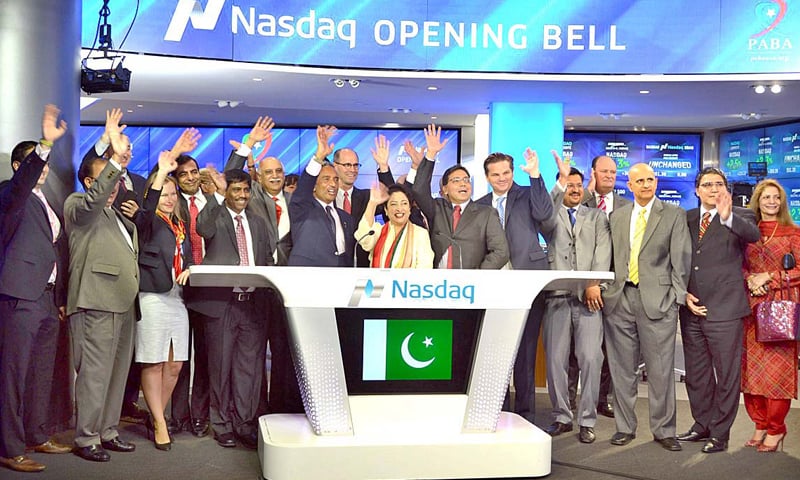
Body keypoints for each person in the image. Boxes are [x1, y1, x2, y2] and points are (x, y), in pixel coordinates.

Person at [65, 108, 141, 462]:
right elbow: (96, 198)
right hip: (96, 303)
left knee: (116, 375)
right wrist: (113, 156)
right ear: (90, 182)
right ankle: (86, 437)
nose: (113, 188)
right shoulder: (79, 206)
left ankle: (107, 431)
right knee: (94, 375)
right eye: (106, 181)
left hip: (124, 305)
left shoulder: (116, 214)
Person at [0, 105, 72, 473]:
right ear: (19, 166)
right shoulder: (10, 195)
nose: (43, 168)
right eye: (36, 163)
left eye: (45, 163)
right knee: (13, 374)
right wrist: (45, 143)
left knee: (41, 372)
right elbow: (20, 184)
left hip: (46, 298)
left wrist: (59, 298)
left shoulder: (49, 201)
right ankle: (10, 447)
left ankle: (36, 434)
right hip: (19, 296)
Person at [603, 162, 690, 451]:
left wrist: (676, 298)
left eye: (650, 179)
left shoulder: (673, 214)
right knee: (622, 369)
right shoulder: (617, 216)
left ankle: (664, 430)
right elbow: (610, 258)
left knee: (661, 369)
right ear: (629, 186)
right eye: (639, 181)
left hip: (659, 301)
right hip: (620, 299)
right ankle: (624, 427)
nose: (646, 185)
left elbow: (681, 259)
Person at [675, 168, 759, 453]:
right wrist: (682, 292)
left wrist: (727, 216)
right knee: (697, 374)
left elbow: (753, 235)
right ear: (696, 190)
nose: (713, 189)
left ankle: (720, 434)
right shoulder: (684, 219)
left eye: (719, 184)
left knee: (726, 375)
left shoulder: (740, 215)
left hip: (725, 311)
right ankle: (702, 425)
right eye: (707, 185)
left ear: (727, 189)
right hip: (690, 308)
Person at [190, 168, 275, 449]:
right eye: (236, 190)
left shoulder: (259, 222)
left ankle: (244, 423)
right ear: (227, 191)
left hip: (252, 306)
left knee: (248, 371)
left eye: (245, 190)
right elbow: (202, 228)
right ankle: (222, 424)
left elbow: (266, 260)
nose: (241, 195)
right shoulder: (216, 215)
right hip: (222, 305)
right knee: (221, 369)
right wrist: (213, 194)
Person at [474, 148, 553, 423]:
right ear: (487, 177)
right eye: (495, 174)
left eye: (506, 172)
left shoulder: (529, 193)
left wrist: (535, 175)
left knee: (526, 351)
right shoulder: (480, 204)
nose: (502, 178)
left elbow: (544, 213)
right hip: (493, 286)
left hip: (526, 281)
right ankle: (499, 409)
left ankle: (526, 415)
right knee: (495, 349)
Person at [133, 130, 200, 451]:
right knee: (154, 362)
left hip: (177, 299)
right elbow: (146, 208)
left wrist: (190, 268)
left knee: (175, 364)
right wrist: (161, 171)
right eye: (165, 193)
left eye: (174, 194)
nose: (171, 199)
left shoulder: (180, 223)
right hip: (153, 298)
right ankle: (160, 421)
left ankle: (155, 412)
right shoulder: (148, 221)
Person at [541, 165, 611, 444]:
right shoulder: (549, 215)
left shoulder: (597, 217)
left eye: (578, 184)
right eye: (569, 184)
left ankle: (587, 420)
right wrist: (556, 184)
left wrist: (594, 283)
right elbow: (546, 208)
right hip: (556, 297)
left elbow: (603, 252)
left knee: (592, 358)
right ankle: (562, 416)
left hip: (588, 298)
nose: (574, 189)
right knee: (556, 360)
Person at [567, 154, 631, 418]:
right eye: (603, 171)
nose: (609, 176)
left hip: (616, 287)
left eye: (613, 173)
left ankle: (602, 399)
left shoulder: (627, 206)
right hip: (583, 285)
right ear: (592, 173)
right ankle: (570, 399)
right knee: (576, 348)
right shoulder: (581, 198)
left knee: (608, 348)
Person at [741, 179, 800, 453]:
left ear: (782, 202)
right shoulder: (747, 232)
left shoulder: (793, 233)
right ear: (758, 200)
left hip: (779, 312)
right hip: (750, 311)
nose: (772, 202)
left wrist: (770, 277)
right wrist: (750, 279)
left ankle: (777, 429)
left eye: (776, 198)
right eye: (766, 197)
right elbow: (737, 265)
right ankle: (760, 425)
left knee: (777, 373)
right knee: (751, 373)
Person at [408, 124, 509, 270]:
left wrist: (479, 275)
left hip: (471, 286)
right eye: (456, 181)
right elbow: (418, 190)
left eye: (466, 180)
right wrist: (430, 154)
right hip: (437, 285)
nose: (463, 184)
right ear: (445, 189)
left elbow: (501, 251)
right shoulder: (437, 208)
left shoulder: (486, 213)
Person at [169, 154, 214, 437]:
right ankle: (177, 416)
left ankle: (200, 416)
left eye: (193, 171)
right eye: (183, 173)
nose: (189, 177)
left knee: (206, 357)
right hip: (178, 288)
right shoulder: (172, 204)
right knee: (179, 358)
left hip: (209, 288)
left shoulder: (212, 201)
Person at [288, 126, 356, 267]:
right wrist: (318, 157)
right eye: (326, 179)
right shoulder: (302, 208)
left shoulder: (346, 219)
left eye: (335, 179)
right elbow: (303, 188)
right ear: (314, 184)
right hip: (308, 278)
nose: (333, 184)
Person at [355, 183, 434, 268]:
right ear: (386, 210)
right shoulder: (378, 231)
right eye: (393, 204)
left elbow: (425, 268)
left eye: (404, 203)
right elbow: (364, 238)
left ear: (410, 209)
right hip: (379, 281)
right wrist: (372, 203)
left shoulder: (420, 233)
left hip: (409, 281)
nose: (399, 208)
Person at [332, 145, 371, 266]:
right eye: (348, 165)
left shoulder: (367, 197)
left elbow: (394, 200)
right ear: (335, 166)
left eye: (356, 165)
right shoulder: (324, 199)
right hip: (329, 268)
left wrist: (383, 166)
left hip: (360, 268)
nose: (353, 170)